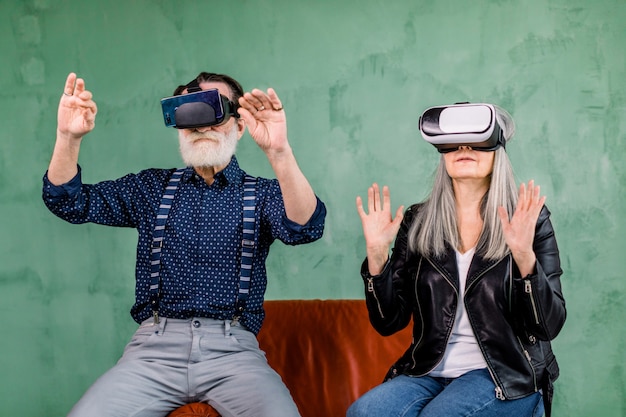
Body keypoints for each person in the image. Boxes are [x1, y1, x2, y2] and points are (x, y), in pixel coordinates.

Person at [42, 71, 326, 417]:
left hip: (233, 352)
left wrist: (279, 151)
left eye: (212, 112)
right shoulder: (150, 189)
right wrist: (67, 137)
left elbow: (306, 227)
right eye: (187, 114)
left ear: (239, 125)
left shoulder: (263, 194)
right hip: (153, 351)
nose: (199, 124)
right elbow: (69, 202)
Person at [348, 103, 565, 417]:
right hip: (429, 371)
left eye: (476, 139)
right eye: (453, 140)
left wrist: (524, 258)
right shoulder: (418, 221)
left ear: (497, 149)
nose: (464, 148)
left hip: (505, 374)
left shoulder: (529, 218)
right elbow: (388, 321)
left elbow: (549, 324)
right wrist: (377, 260)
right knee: (364, 413)